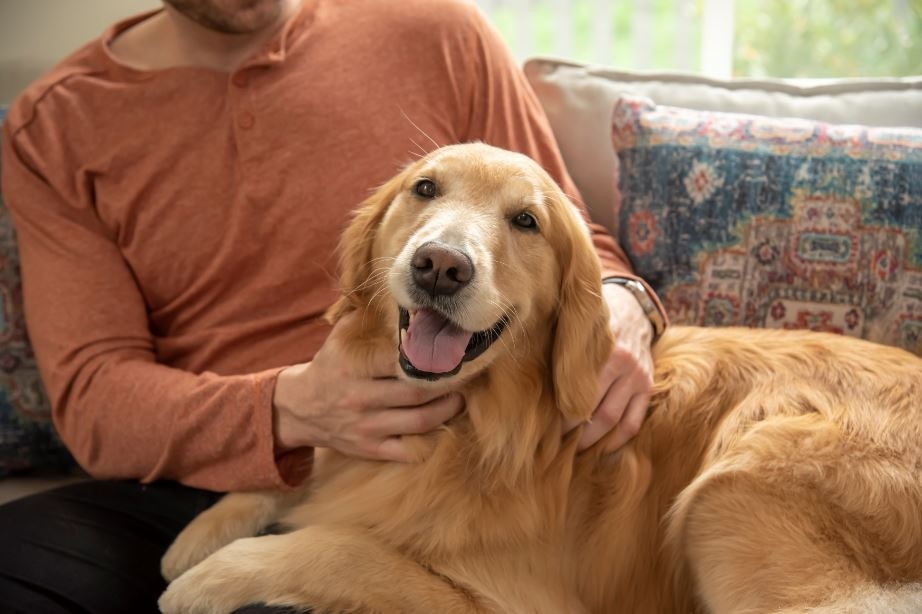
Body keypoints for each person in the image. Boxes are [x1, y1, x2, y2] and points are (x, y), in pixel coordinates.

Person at [0, 0, 665, 612]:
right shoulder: (54, 126)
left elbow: (562, 235)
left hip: (428, 466)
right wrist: (291, 409)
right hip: (181, 483)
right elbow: (94, 396)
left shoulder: (439, 32)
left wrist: (629, 304)